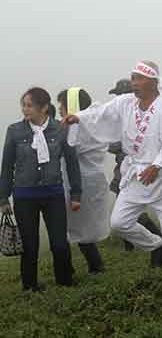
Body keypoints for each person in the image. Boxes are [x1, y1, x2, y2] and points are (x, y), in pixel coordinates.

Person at [63, 61, 162, 275]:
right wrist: (78, 117)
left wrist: (157, 166)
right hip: (136, 174)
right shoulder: (125, 103)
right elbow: (101, 113)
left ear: (153, 82)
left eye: (139, 79)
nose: (134, 83)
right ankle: (155, 245)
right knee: (119, 223)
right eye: (133, 78)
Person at [1, 87, 81, 290]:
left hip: (53, 193)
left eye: (29, 105)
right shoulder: (15, 130)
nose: (25, 110)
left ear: (44, 107)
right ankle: (30, 287)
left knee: (59, 243)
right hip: (24, 195)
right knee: (30, 245)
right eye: (23, 105)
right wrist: (3, 198)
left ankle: (64, 282)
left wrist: (76, 193)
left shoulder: (60, 129)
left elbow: (72, 163)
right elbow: (7, 165)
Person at [105, 78, 162, 253]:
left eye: (118, 94)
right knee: (126, 207)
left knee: (132, 210)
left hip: (132, 169)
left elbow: (124, 145)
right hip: (125, 168)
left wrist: (106, 144)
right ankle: (132, 244)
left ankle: (157, 241)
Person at [57, 88, 110, 274]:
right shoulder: (94, 124)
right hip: (91, 179)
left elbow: (68, 149)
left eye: (62, 106)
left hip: (82, 182)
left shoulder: (77, 128)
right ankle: (92, 265)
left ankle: (95, 266)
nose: (59, 111)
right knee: (81, 227)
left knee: (79, 227)